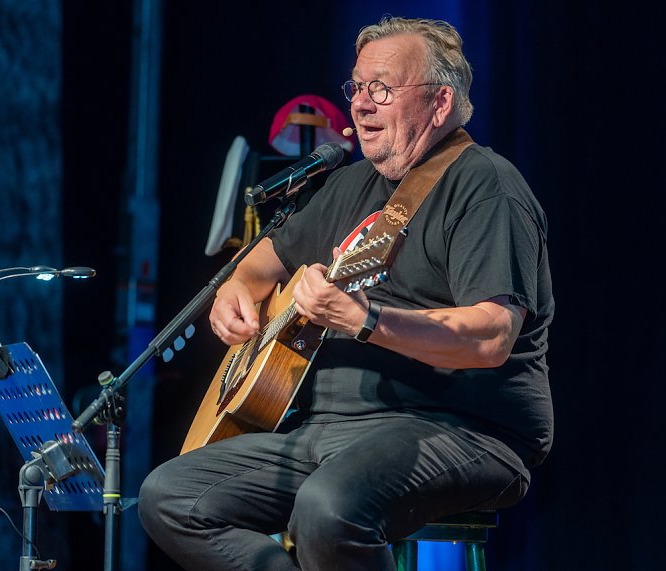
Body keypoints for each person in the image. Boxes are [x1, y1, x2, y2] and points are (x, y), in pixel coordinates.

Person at [138, 15, 554, 571]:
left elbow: (492, 337)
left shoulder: (487, 185)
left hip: (461, 426)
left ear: (439, 104)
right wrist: (235, 292)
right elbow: (258, 264)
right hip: (326, 429)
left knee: (328, 508)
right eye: (356, 87)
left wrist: (365, 320)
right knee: (170, 497)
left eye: (381, 88)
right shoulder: (347, 185)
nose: (360, 104)